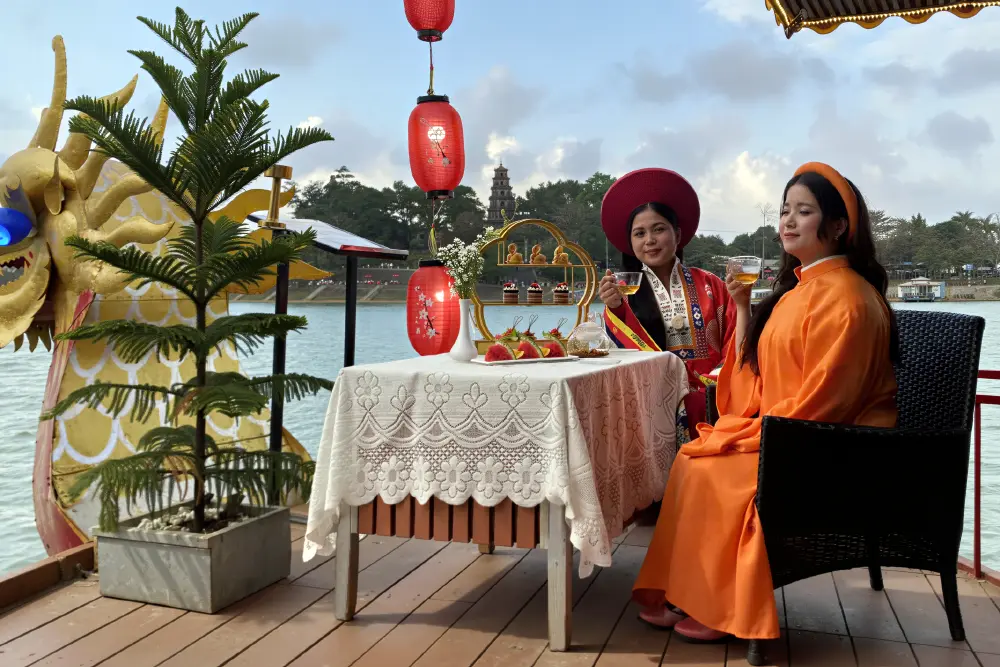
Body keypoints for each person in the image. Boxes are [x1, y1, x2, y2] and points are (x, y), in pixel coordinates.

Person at [631, 162, 899, 642]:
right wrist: (741, 307)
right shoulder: (798, 290)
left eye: (804, 211)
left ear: (839, 225)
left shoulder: (849, 300)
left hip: (835, 447)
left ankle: (718, 607)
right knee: (692, 459)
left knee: (714, 471)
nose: (788, 221)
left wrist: (756, 433)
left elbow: (831, 399)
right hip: (791, 429)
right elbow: (753, 378)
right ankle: (688, 593)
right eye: (785, 210)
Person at [598, 168, 736, 430]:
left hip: (714, 402)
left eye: (659, 229)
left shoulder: (711, 284)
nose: (650, 240)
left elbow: (737, 340)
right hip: (651, 405)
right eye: (639, 233)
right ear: (630, 243)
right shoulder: (624, 294)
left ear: (678, 235)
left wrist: (710, 387)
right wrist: (615, 309)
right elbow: (621, 360)